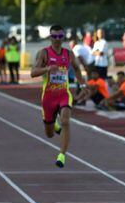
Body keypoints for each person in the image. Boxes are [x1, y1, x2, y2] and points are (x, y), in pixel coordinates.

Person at [31, 24, 87, 168]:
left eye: (60, 36)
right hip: (48, 97)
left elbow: (76, 68)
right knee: (49, 134)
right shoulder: (44, 53)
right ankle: (53, 125)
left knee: (66, 121)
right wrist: (48, 68)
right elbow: (33, 72)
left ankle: (61, 155)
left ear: (63, 37)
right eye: (54, 36)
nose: (57, 39)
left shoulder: (68, 54)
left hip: (63, 94)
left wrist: (83, 84)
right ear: (50, 37)